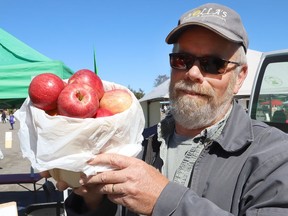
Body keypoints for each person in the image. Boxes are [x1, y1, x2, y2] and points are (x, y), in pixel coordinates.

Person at [42, 3, 288, 216]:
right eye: (182, 60)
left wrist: (163, 200)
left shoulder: (274, 156)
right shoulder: (137, 143)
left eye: (212, 64)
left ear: (240, 77)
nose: (192, 73)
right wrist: (91, 200)